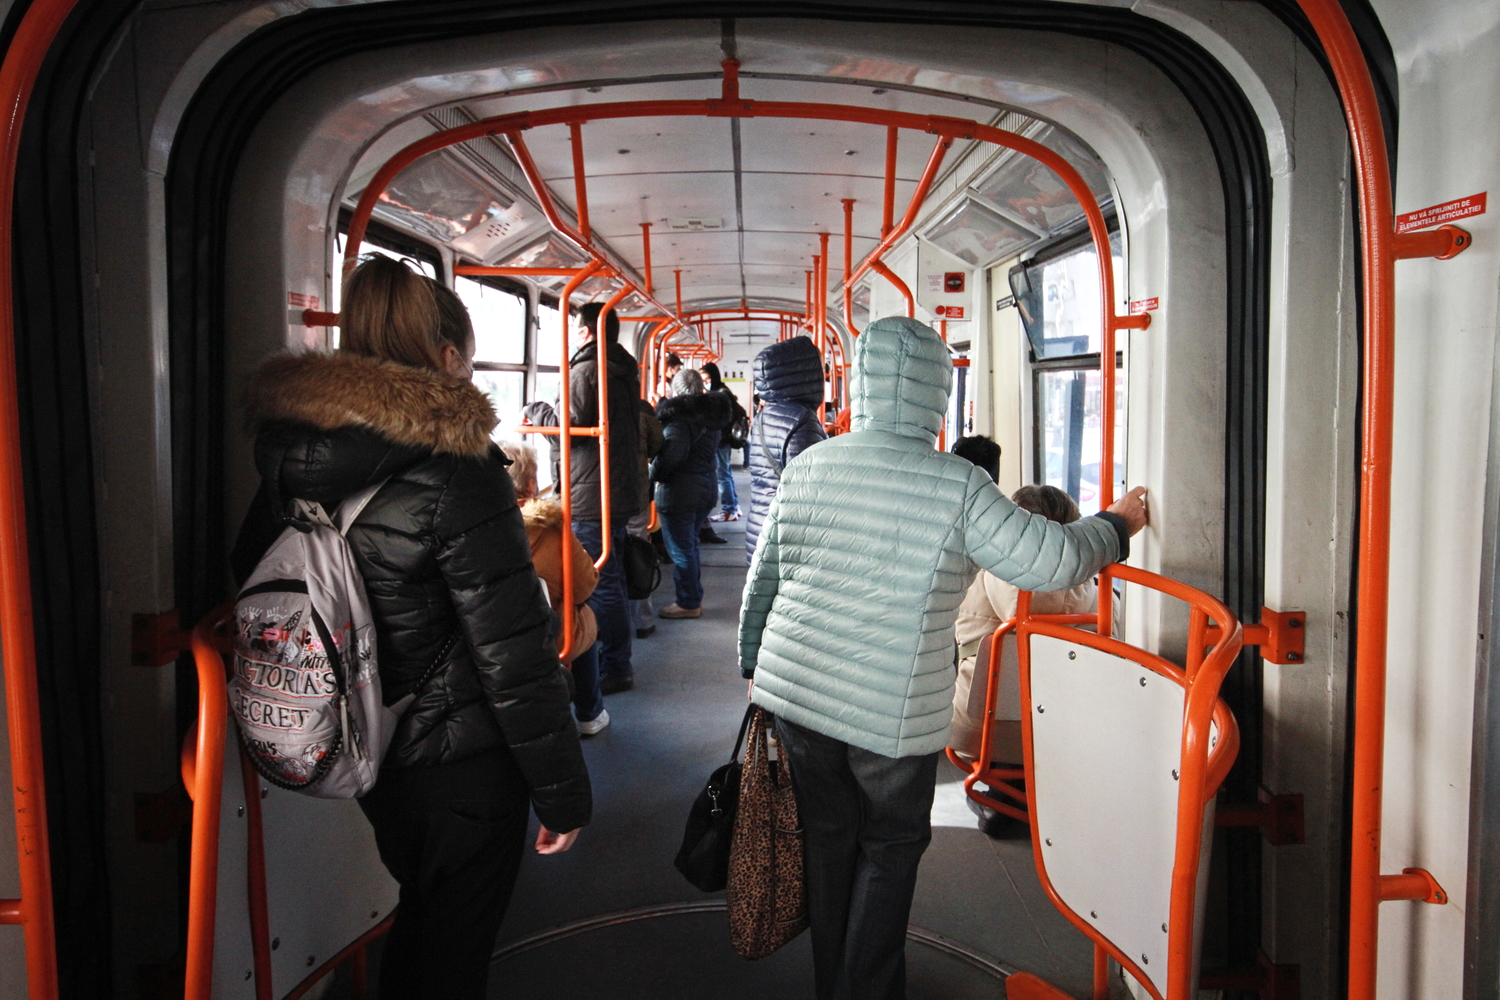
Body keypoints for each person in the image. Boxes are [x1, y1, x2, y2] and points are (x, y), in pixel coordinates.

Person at [739, 316, 1147, 1000]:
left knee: (829, 837)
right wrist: (1117, 522)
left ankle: (833, 983)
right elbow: (1053, 561)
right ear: (936, 393)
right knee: (890, 849)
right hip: (891, 712)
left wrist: (753, 661)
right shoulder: (958, 485)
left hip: (798, 692)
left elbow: (764, 577)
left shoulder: (810, 465)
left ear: (860, 385)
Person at [232, 257, 589, 1000]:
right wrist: (563, 795)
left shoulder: (290, 460)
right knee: (452, 949)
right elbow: (512, 654)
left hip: (363, 743)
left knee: (419, 924)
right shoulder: (461, 471)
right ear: (450, 357)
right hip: (463, 761)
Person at [501, 441, 610, 736]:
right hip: (545, 633)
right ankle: (589, 714)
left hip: (492, 632)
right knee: (582, 617)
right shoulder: (549, 527)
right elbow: (585, 584)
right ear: (533, 483)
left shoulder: (472, 526)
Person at [569, 302, 642, 695]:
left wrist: (542, 413)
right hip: (614, 487)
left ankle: (615, 664)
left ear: (587, 331)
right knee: (609, 574)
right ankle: (616, 658)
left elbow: (572, 425)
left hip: (592, 491)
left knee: (600, 581)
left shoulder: (586, 370)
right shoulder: (623, 370)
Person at [651, 368, 731, 619]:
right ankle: (691, 596)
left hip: (680, 492)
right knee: (689, 545)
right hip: (704, 487)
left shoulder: (678, 421)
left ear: (676, 391)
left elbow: (672, 456)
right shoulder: (711, 416)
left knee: (681, 550)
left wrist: (654, 473)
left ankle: (688, 602)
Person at [745, 337, 827, 566]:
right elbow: (810, 492)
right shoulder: (802, 420)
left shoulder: (765, 415)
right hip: (786, 535)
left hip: (761, 525)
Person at [629, 396, 665, 638]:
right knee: (637, 556)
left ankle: (602, 624)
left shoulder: (584, 407)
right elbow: (657, 445)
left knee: (601, 560)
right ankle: (643, 621)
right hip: (635, 492)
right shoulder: (642, 409)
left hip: (596, 497)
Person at [699, 361, 748, 522]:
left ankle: (728, 509)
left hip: (720, 440)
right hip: (723, 439)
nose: (705, 382)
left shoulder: (720, 394)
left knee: (722, 476)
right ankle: (733, 506)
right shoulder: (723, 390)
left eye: (707, 379)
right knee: (726, 474)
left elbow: (724, 419)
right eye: (702, 380)